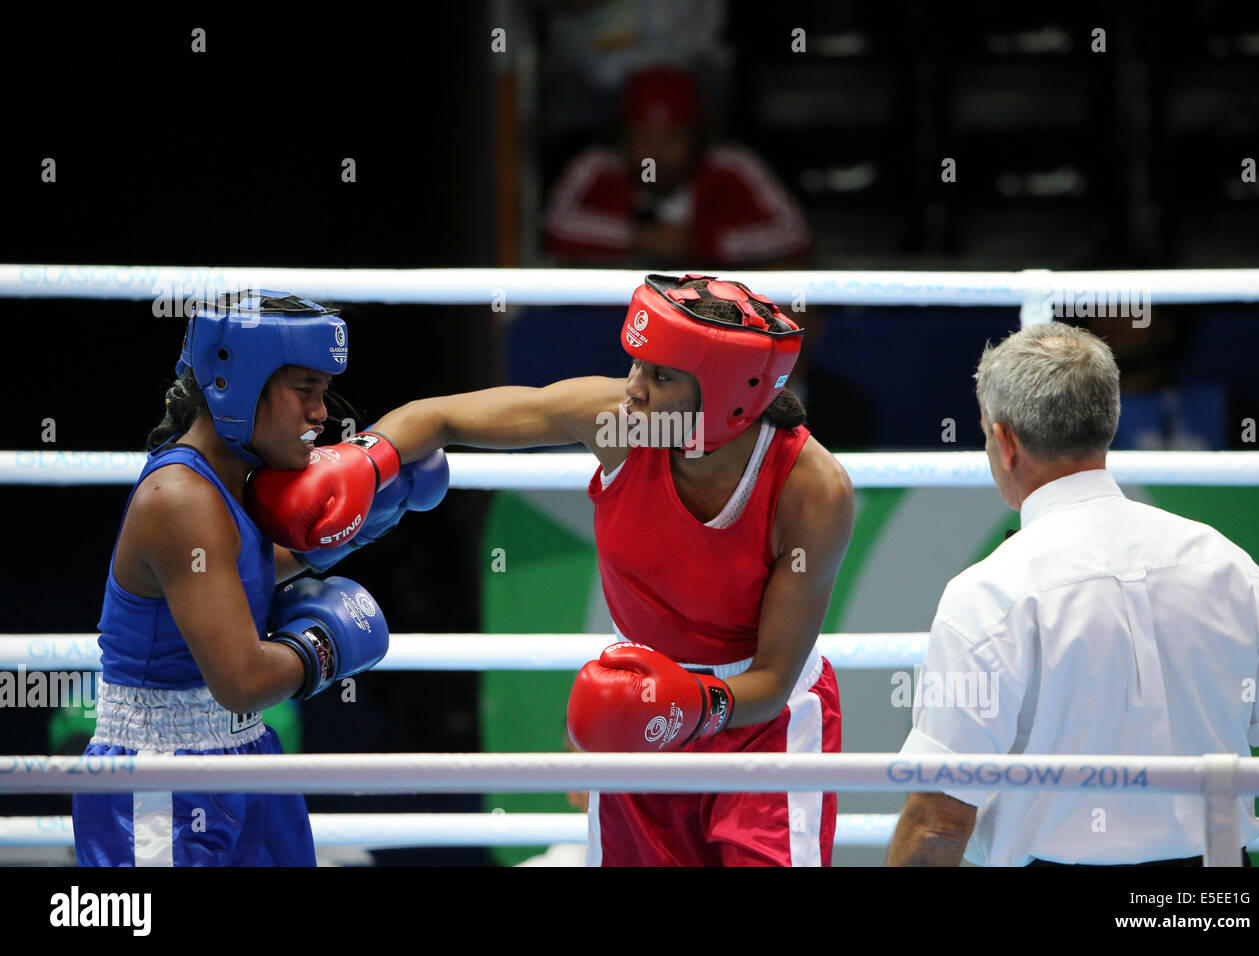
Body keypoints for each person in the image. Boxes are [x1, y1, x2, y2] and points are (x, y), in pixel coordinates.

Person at [255, 273, 854, 866]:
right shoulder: (617, 421)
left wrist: (683, 703)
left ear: (730, 394)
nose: (635, 389)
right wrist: (369, 458)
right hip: (641, 698)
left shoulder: (811, 491)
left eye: (662, 376)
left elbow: (775, 678)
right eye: (637, 365)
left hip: (761, 725)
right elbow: (440, 418)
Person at [885, 321, 1259, 867]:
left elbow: (938, 824)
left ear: (1005, 442)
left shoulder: (988, 595)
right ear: (1108, 419)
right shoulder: (1227, 566)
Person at [71, 290, 446, 867]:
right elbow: (242, 681)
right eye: (306, 391)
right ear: (237, 384)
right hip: (162, 776)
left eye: (324, 392)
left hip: (246, 751)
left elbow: (232, 577)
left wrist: (358, 530)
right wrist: (325, 646)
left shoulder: (234, 481)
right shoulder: (181, 498)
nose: (322, 414)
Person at [543, 66, 810, 268]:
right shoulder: (596, 168)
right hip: (613, 320)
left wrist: (699, 243)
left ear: (696, 140)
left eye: (671, 138)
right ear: (623, 140)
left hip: (716, 316)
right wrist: (636, 237)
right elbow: (554, 226)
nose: (656, 153)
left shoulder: (733, 167)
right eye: (643, 138)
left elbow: (792, 232)